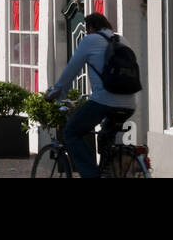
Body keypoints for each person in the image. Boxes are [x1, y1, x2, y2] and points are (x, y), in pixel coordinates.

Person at [44, 12, 136, 178]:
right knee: (105, 138)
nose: (87, 33)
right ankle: (107, 171)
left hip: (103, 101)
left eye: (87, 30)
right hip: (129, 103)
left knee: (71, 133)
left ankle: (91, 175)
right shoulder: (122, 40)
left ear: (91, 27)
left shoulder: (90, 40)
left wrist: (55, 93)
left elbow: (71, 71)